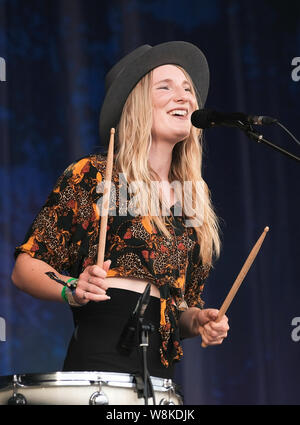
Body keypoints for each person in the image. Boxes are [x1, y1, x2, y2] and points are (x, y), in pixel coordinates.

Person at [11, 41, 229, 394]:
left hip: (161, 382)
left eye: (188, 89)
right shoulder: (95, 175)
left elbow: (181, 309)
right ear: (138, 103)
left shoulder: (193, 198)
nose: (185, 97)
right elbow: (25, 268)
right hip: (98, 369)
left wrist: (199, 320)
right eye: (166, 86)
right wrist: (71, 288)